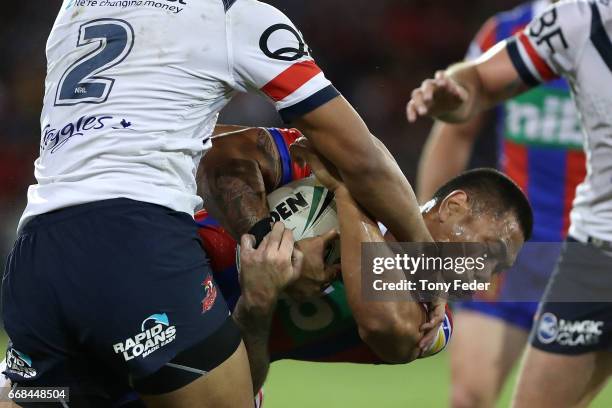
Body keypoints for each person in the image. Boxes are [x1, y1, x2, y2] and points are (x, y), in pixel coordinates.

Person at [2, 0, 436, 406]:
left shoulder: (76, 7)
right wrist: (430, 266)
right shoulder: (232, 15)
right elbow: (361, 157)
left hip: (36, 257)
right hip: (135, 243)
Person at [197, 125, 531, 393]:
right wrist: (270, 247)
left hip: (219, 363)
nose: (485, 276)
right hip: (162, 275)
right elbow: (218, 154)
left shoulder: (434, 325)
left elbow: (384, 323)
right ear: (453, 207)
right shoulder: (316, 168)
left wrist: (348, 197)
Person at [407, 1, 612, 406]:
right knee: (468, 398)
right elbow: (470, 97)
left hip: (578, 247)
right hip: (536, 250)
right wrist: (427, 245)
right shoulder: (569, 24)